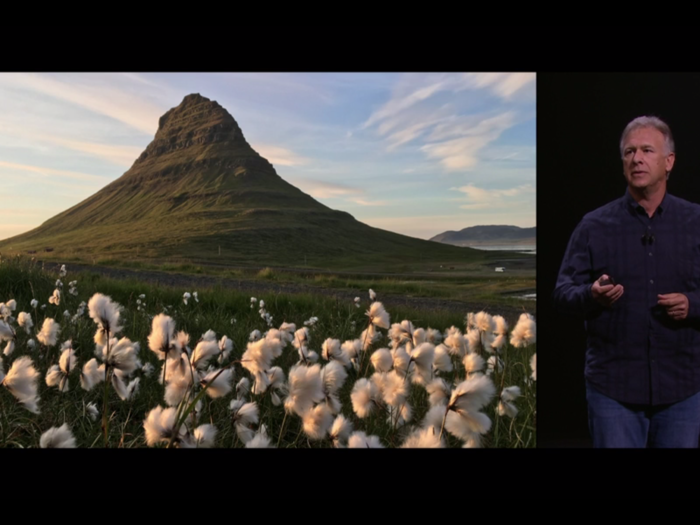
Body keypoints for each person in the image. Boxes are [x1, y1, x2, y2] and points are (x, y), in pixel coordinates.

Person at [553, 115, 700, 448]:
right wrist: (591, 295)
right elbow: (562, 294)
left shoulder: (695, 222)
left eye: (647, 150)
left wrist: (693, 305)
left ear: (669, 161)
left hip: (682, 389)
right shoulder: (594, 226)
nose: (637, 158)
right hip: (613, 391)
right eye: (629, 152)